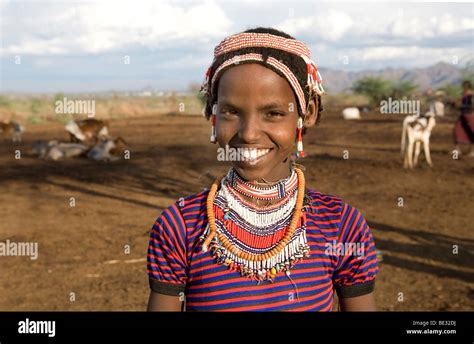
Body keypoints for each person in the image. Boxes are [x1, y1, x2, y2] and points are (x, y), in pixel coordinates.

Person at [146, 27, 378, 311]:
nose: (249, 133)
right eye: (231, 112)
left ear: (309, 113)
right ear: (212, 113)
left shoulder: (341, 226)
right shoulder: (180, 226)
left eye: (274, 113)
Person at [453, 80, 474, 157]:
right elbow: (458, 103)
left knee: (472, 133)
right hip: (463, 116)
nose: (464, 88)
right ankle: (456, 151)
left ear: (468, 87)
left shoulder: (471, 96)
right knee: (456, 131)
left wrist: (460, 106)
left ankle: (472, 151)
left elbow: (471, 106)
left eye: (465, 86)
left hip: (471, 116)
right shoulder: (463, 95)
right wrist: (453, 103)